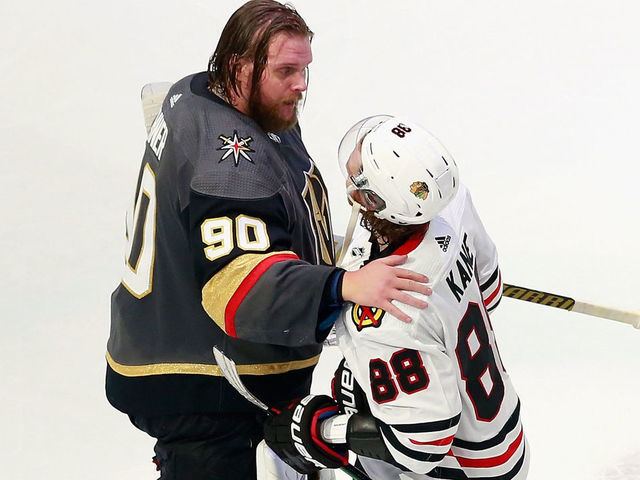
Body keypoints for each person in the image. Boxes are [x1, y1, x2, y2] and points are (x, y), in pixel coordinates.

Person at [105, 3, 431, 479]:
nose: (300, 84)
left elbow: (255, 221)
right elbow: (238, 291)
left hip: (177, 346)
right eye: (286, 70)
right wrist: (345, 285)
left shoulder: (200, 92)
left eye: (304, 69)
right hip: (205, 389)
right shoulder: (228, 164)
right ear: (240, 66)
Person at [264, 115, 530, 479]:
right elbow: (490, 289)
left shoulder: (386, 317)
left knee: (349, 399)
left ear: (372, 199)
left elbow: (422, 444)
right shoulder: (451, 208)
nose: (351, 165)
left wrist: (322, 430)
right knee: (357, 379)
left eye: (359, 169)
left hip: (462, 469)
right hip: (504, 436)